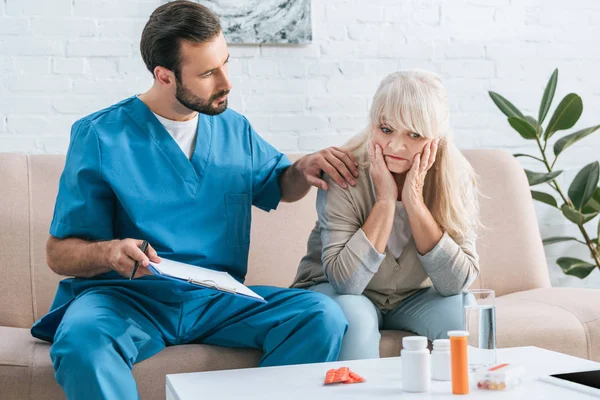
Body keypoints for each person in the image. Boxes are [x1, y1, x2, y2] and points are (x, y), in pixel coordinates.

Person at [31, 2, 359, 398]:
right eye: (207, 73)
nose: (226, 81)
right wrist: (110, 251)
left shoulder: (234, 129)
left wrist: (303, 168)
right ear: (164, 76)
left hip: (218, 300)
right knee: (82, 340)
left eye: (225, 63)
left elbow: (279, 184)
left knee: (320, 316)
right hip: (128, 301)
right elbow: (59, 253)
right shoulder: (101, 136)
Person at [292, 70, 480, 361]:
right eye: (386, 129)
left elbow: (457, 283)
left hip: (413, 297)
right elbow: (346, 283)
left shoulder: (455, 177)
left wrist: (414, 201)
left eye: (414, 134)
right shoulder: (344, 170)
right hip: (339, 293)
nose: (394, 146)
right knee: (355, 320)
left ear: (436, 138)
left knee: (463, 313)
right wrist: (385, 201)